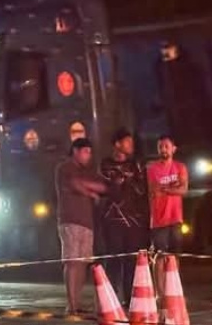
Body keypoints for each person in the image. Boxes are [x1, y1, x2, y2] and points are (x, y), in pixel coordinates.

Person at [98, 128, 149, 304]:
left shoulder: (136, 164)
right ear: (117, 144)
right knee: (114, 259)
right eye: (127, 142)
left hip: (133, 221)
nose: (131, 145)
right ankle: (109, 299)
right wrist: (119, 181)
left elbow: (142, 189)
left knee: (131, 261)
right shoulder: (105, 164)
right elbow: (107, 189)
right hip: (112, 220)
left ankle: (130, 299)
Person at [55, 138, 106, 314]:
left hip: (87, 222)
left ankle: (77, 303)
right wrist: (90, 192)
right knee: (72, 261)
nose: (88, 156)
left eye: (90, 152)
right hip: (70, 220)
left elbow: (101, 186)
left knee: (83, 262)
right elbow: (75, 184)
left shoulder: (86, 171)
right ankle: (71, 304)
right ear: (75, 151)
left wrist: (91, 188)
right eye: (85, 152)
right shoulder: (65, 168)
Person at [146, 134, 189, 296]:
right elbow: (153, 190)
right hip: (158, 219)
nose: (163, 149)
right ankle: (160, 291)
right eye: (160, 147)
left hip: (175, 217)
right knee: (159, 255)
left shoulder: (180, 167)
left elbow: (183, 189)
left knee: (174, 255)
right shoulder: (152, 169)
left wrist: (165, 189)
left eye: (166, 146)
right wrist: (173, 187)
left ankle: (173, 289)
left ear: (173, 149)